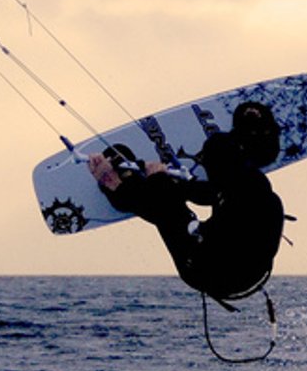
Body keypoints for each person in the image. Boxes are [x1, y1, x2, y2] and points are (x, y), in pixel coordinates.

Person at [88, 101, 287, 302]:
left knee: (170, 210)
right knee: (180, 198)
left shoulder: (247, 196)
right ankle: (255, 137)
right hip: (248, 264)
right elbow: (204, 193)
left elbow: (170, 211)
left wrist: (158, 180)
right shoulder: (251, 185)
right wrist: (175, 182)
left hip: (212, 272)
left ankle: (116, 186)